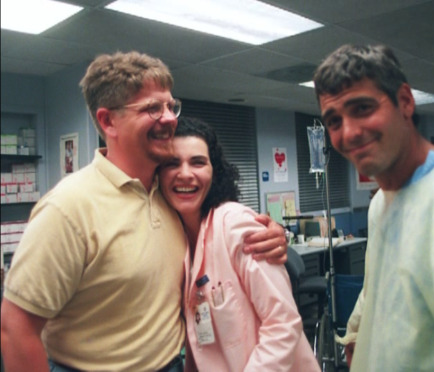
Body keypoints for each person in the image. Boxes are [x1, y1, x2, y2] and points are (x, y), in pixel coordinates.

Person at [0, 51, 287, 372]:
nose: (169, 118)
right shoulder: (67, 208)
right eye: (152, 108)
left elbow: (215, 240)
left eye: (170, 105)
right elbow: (16, 329)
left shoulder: (169, 194)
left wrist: (274, 234)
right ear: (108, 121)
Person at [313, 44, 434, 371]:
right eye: (334, 121)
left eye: (362, 108)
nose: (349, 132)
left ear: (405, 101)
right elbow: (379, 294)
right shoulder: (382, 203)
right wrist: (358, 334)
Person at [159, 117, 320, 372]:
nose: (186, 174)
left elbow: (283, 323)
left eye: (198, 162)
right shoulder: (173, 236)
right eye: (172, 163)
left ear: (215, 171)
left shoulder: (234, 224)